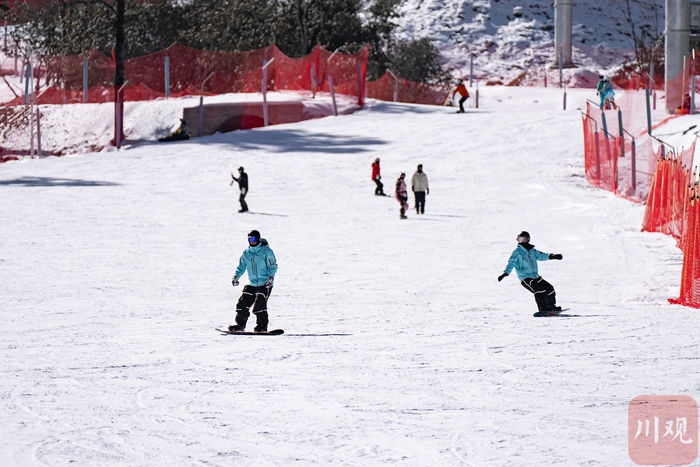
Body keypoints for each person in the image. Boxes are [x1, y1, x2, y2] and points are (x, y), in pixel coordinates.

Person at [497, 231, 564, 314]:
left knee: (549, 289)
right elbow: (511, 263)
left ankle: (551, 307)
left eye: (524, 239)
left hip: (535, 276)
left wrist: (552, 256)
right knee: (539, 290)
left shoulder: (532, 251)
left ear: (528, 239)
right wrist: (505, 273)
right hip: (525, 277)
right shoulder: (517, 252)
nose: (522, 241)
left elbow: (541, 255)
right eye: (520, 239)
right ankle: (543, 309)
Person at [230, 230, 278, 333]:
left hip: (265, 284)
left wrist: (270, 277)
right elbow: (241, 267)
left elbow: (272, 266)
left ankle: (261, 326)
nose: (252, 241)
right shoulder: (246, 253)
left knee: (259, 306)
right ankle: (240, 325)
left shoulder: (266, 251)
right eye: (250, 239)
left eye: (254, 239)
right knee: (242, 304)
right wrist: (236, 277)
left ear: (259, 239)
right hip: (252, 283)